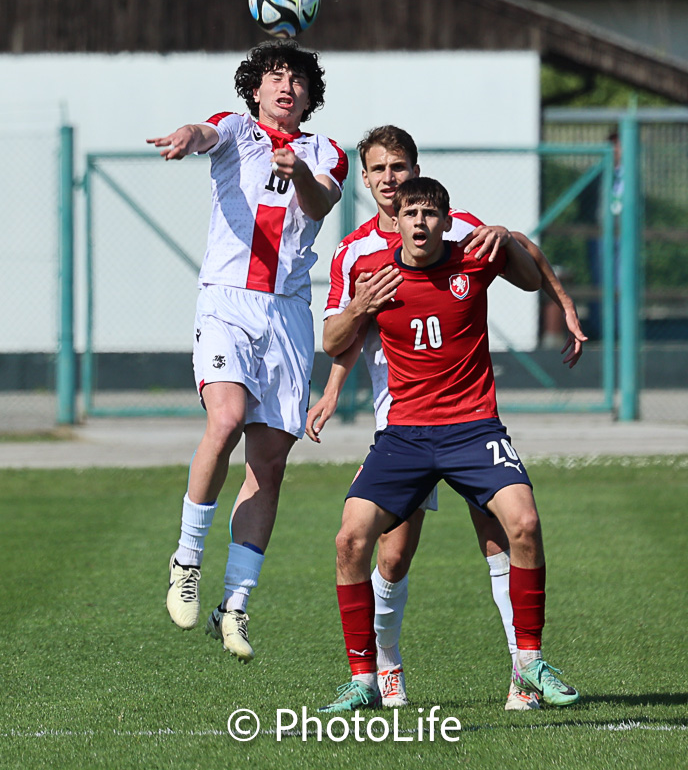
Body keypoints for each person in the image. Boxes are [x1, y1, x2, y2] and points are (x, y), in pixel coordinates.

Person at [307, 126, 586, 710]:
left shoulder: (461, 237)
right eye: (380, 171)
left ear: (426, 191)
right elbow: (339, 338)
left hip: (471, 427)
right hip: (400, 427)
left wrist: (519, 254)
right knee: (381, 550)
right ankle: (375, 676)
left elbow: (526, 263)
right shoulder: (359, 258)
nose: (392, 181)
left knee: (510, 533)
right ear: (367, 180)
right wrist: (344, 356)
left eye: (401, 169)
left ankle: (525, 671)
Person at [146, 39, 348, 662]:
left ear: (310, 98)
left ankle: (233, 606)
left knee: (269, 464)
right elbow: (206, 133)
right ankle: (186, 559)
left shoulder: (325, 152)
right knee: (226, 420)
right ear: (255, 89)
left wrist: (302, 174)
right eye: (274, 76)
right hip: (228, 301)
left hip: (287, 313)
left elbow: (323, 202)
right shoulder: (237, 129)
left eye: (298, 80)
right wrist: (187, 134)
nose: (287, 86)